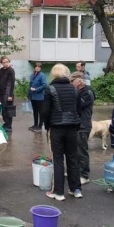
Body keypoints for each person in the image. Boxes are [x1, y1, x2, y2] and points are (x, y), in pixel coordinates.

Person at [43, 64, 82, 201]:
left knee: (58, 159)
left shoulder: (50, 89)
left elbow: (45, 111)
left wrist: (47, 126)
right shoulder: (74, 89)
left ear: (53, 74)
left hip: (56, 127)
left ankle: (58, 192)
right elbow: (78, 109)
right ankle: (76, 189)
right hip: (72, 127)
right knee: (73, 158)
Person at [71, 71, 95, 185]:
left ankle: (84, 175)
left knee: (82, 151)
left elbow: (78, 106)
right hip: (77, 124)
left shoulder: (87, 92)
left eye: (72, 81)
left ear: (79, 81)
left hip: (83, 125)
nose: (71, 83)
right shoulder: (79, 91)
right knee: (74, 150)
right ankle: (76, 171)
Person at [0, 56, 16, 133]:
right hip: (1, 93)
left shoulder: (11, 70)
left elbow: (12, 83)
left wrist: (10, 95)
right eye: (4, 62)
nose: (5, 64)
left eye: (7, 62)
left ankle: (9, 125)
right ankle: (6, 123)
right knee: (3, 110)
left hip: (8, 94)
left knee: (8, 110)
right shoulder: (1, 70)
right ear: (1, 63)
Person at [28, 62, 47, 132]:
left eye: (39, 67)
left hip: (39, 97)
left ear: (40, 68)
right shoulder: (33, 75)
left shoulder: (42, 75)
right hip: (33, 96)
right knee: (35, 111)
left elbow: (44, 85)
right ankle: (35, 124)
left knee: (40, 112)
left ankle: (40, 126)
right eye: (36, 67)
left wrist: (36, 89)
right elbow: (30, 85)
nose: (37, 68)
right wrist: (28, 94)